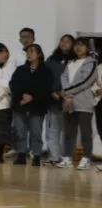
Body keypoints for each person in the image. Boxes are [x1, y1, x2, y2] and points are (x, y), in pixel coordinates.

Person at [9, 44, 53, 166]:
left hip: (37, 105)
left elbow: (46, 88)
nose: (29, 54)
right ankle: (21, 154)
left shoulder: (46, 71)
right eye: (27, 52)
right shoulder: (20, 69)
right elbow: (13, 84)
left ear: (39, 54)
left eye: (32, 51)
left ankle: (36, 155)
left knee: (36, 132)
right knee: (20, 131)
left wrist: (32, 97)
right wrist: (22, 96)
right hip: (20, 104)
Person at [60, 37, 97, 170]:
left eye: (81, 45)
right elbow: (63, 78)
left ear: (88, 48)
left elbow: (85, 81)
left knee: (85, 133)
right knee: (69, 132)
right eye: (76, 45)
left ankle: (86, 158)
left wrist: (67, 93)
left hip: (84, 102)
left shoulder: (91, 63)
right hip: (68, 102)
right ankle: (67, 158)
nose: (78, 47)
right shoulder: (70, 63)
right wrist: (67, 96)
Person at [44, 35, 74, 164]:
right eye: (62, 41)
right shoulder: (51, 59)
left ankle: (66, 157)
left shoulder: (75, 60)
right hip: (53, 99)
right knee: (53, 129)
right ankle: (53, 156)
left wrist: (65, 94)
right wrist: (52, 91)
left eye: (68, 41)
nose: (64, 43)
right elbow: (45, 77)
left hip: (69, 99)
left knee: (68, 130)